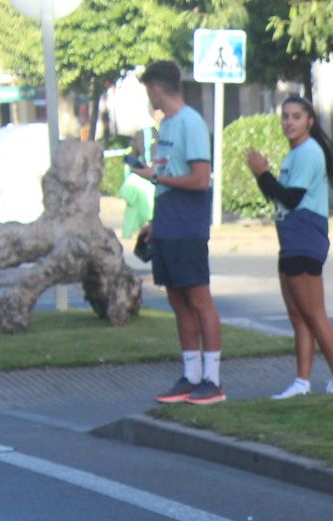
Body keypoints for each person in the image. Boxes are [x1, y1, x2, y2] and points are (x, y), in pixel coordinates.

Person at [125, 61, 224, 406]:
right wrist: (155, 220)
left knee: (198, 299)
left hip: (188, 224)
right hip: (167, 222)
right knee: (177, 300)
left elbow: (200, 178)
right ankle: (191, 375)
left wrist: (156, 178)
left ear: (156, 88)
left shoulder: (190, 123)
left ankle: (212, 378)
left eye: (147, 89)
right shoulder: (165, 125)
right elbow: (167, 174)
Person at [245, 96, 333, 398]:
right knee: (297, 315)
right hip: (290, 236)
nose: (289, 123)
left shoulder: (308, 153)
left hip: (305, 234)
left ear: (309, 121)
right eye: (285, 117)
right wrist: (262, 176)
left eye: (296, 117)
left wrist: (262, 174)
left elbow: (292, 198)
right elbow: (278, 196)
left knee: (314, 313)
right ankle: (301, 382)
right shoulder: (293, 155)